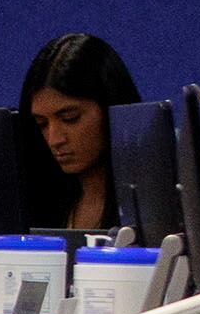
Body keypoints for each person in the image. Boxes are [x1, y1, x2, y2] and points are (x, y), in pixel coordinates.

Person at [21, 31, 144, 232]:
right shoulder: (37, 205)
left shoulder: (158, 205)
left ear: (110, 108)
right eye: (42, 124)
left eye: (70, 118)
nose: (54, 139)